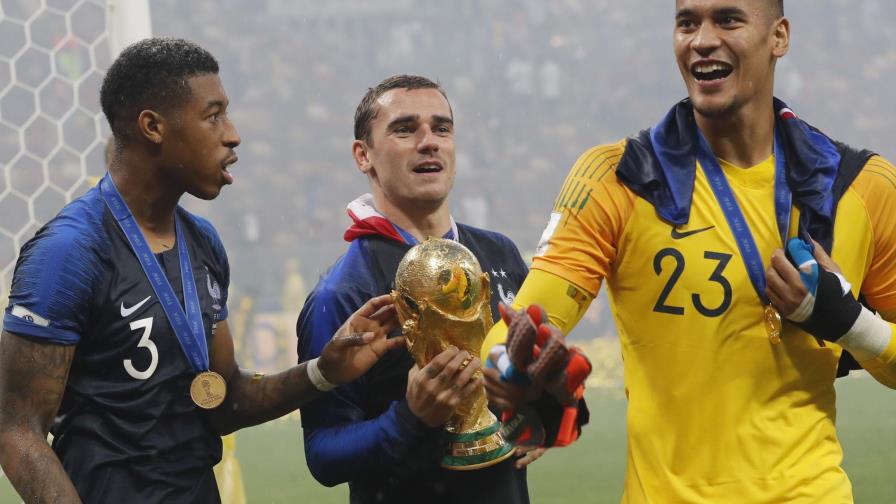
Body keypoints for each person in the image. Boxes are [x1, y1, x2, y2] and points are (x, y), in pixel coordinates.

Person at [482, 1, 896, 502]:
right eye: (687, 22)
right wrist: (510, 368)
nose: (701, 39)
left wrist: (850, 322)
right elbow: (526, 320)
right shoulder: (619, 180)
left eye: (727, 19)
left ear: (779, 37)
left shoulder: (862, 188)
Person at [0, 38, 403, 504]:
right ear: (153, 126)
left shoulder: (202, 243)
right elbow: (16, 428)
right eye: (213, 116)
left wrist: (323, 371)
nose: (232, 134)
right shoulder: (70, 251)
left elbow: (225, 398)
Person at [296, 75, 533, 503]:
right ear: (362, 155)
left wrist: (541, 409)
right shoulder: (343, 292)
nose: (429, 141)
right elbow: (323, 454)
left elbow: (527, 379)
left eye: (442, 128)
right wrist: (409, 418)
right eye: (405, 129)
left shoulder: (500, 253)